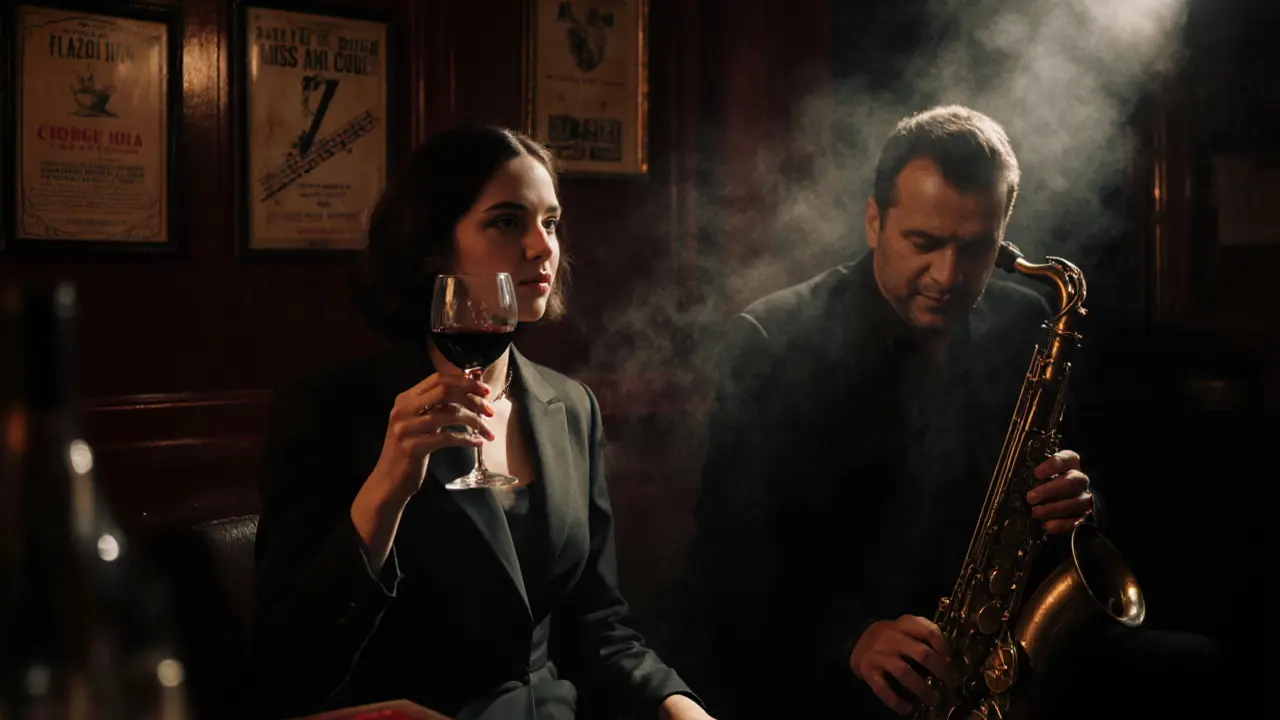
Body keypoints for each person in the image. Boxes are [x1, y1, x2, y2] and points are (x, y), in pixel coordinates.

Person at [670, 105, 1221, 719]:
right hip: (840, 666)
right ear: (874, 220)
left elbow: (1078, 514)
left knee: (1193, 667)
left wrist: (1076, 505)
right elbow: (727, 563)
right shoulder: (772, 341)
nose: (948, 276)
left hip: (994, 651)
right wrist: (850, 637)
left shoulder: (1023, 327)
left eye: (976, 248)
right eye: (924, 244)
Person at [253, 126, 712, 720]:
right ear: (431, 250)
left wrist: (677, 705)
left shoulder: (571, 406)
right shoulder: (327, 409)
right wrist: (386, 490)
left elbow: (598, 627)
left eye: (550, 222)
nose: (541, 246)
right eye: (506, 221)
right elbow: (288, 660)